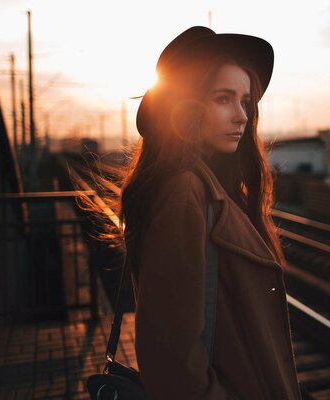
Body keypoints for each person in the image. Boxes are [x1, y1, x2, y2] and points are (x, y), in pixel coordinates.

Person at [120, 26, 302, 399]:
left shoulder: (203, 188)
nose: (241, 117)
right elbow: (173, 367)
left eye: (245, 102)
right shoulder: (185, 194)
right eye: (223, 99)